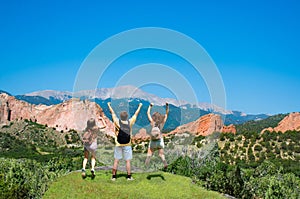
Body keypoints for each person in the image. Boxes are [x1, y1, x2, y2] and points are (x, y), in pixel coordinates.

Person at [107, 102, 142, 181]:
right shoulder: (130, 122)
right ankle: (129, 177)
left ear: (121, 117)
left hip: (118, 144)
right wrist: (139, 106)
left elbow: (112, 113)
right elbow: (136, 114)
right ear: (127, 117)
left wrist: (109, 105)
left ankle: (113, 177)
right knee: (128, 161)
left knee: (116, 160)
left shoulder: (117, 122)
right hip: (127, 144)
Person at [145, 102, 169, 170]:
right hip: (160, 141)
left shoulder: (152, 122)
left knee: (149, 154)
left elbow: (148, 113)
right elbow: (167, 114)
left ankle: (146, 165)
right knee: (161, 154)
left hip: (153, 141)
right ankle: (164, 162)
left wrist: (150, 106)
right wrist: (167, 106)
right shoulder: (162, 123)